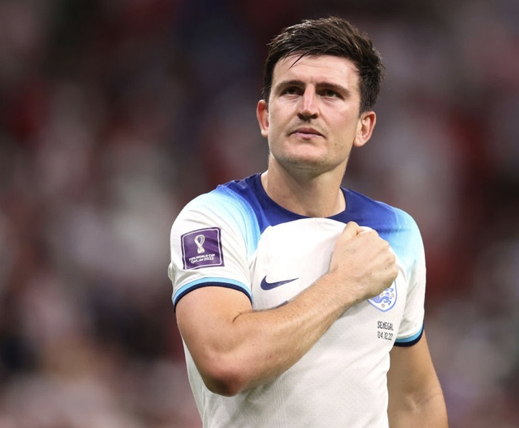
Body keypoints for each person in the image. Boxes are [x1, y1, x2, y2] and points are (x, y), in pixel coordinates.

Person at [168, 16, 448, 428]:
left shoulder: (396, 231)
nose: (308, 108)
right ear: (265, 117)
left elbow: (415, 400)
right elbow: (226, 362)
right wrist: (343, 285)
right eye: (292, 90)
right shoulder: (214, 217)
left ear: (364, 127)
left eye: (331, 93)